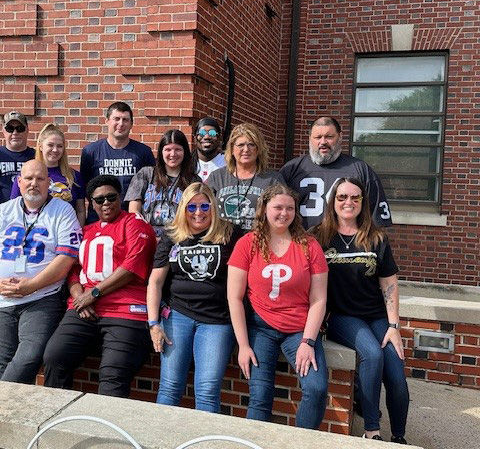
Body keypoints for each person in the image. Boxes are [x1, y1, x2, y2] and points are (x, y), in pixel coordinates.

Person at [311, 177, 409, 443]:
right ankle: (372, 431)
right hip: (342, 317)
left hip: (377, 316)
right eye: (342, 197)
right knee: (372, 355)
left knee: (396, 374)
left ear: (363, 203)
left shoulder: (376, 237)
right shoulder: (318, 236)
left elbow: (389, 282)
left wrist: (394, 326)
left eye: (355, 198)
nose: (348, 202)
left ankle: (399, 437)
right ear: (333, 202)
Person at [42, 175, 157, 397]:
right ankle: (54, 424)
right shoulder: (86, 230)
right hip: (84, 308)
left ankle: (106, 432)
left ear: (120, 197)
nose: (105, 203)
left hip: (126, 309)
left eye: (111, 197)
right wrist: (79, 297)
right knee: (55, 357)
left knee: (112, 376)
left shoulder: (134, 223)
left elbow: (132, 266)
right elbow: (73, 269)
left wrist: (93, 293)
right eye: (99, 199)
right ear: (91, 204)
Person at [227, 183, 329, 428]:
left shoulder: (309, 245)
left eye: (290, 208)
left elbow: (319, 299)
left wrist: (308, 342)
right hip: (260, 328)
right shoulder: (247, 243)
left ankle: (301, 443)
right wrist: (242, 344)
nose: (284, 213)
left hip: (298, 330)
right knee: (260, 397)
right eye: (278, 207)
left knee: (316, 388)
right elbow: (234, 297)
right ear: (263, 209)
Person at [0, 160, 82, 384]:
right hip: (0, 299)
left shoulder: (63, 211)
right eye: (29, 179)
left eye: (40, 179)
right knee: (0, 362)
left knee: (29, 357)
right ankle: (7, 414)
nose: (34, 184)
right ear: (19, 182)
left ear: (49, 183)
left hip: (41, 298)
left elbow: (67, 258)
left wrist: (31, 285)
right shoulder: (3, 210)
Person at [147, 182, 240, 413]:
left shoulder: (230, 233)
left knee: (207, 390)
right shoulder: (173, 235)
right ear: (183, 209)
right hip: (178, 315)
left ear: (213, 207)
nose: (198, 212)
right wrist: (153, 324)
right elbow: (155, 282)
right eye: (191, 207)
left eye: (204, 206)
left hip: (217, 320)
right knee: (169, 387)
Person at [280, 116, 392, 229]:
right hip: (301, 243)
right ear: (310, 139)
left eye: (329, 137)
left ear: (340, 137)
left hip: (346, 244)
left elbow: (378, 221)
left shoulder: (360, 170)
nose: (323, 142)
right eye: (318, 137)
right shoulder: (292, 169)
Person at [80, 101, 155, 223]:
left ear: (131, 124)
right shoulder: (90, 152)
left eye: (125, 120)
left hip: (130, 219)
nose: (121, 124)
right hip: (98, 219)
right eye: (116, 119)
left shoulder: (143, 152)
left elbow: (150, 188)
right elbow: (86, 188)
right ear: (107, 121)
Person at [207, 123, 284, 233]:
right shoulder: (217, 177)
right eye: (240, 145)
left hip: (259, 243)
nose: (246, 149)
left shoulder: (273, 180)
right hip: (223, 243)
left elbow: (282, 214)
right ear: (232, 149)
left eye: (251, 145)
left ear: (258, 149)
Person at [125, 129, 200, 237]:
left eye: (178, 149)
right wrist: (143, 234)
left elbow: (195, 215)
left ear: (185, 152)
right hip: (147, 237)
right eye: (168, 149)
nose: (173, 154)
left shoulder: (193, 180)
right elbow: (134, 211)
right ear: (161, 151)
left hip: (178, 239)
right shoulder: (146, 174)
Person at [10, 123, 86, 225]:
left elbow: (80, 210)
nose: (55, 150)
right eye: (50, 145)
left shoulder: (74, 176)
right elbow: (14, 209)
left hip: (66, 232)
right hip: (35, 233)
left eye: (59, 146)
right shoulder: (26, 175)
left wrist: (78, 234)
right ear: (41, 146)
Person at [192, 117, 225, 182]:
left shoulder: (228, 162)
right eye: (202, 133)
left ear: (219, 138)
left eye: (212, 133)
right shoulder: (187, 163)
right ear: (195, 138)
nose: (207, 137)